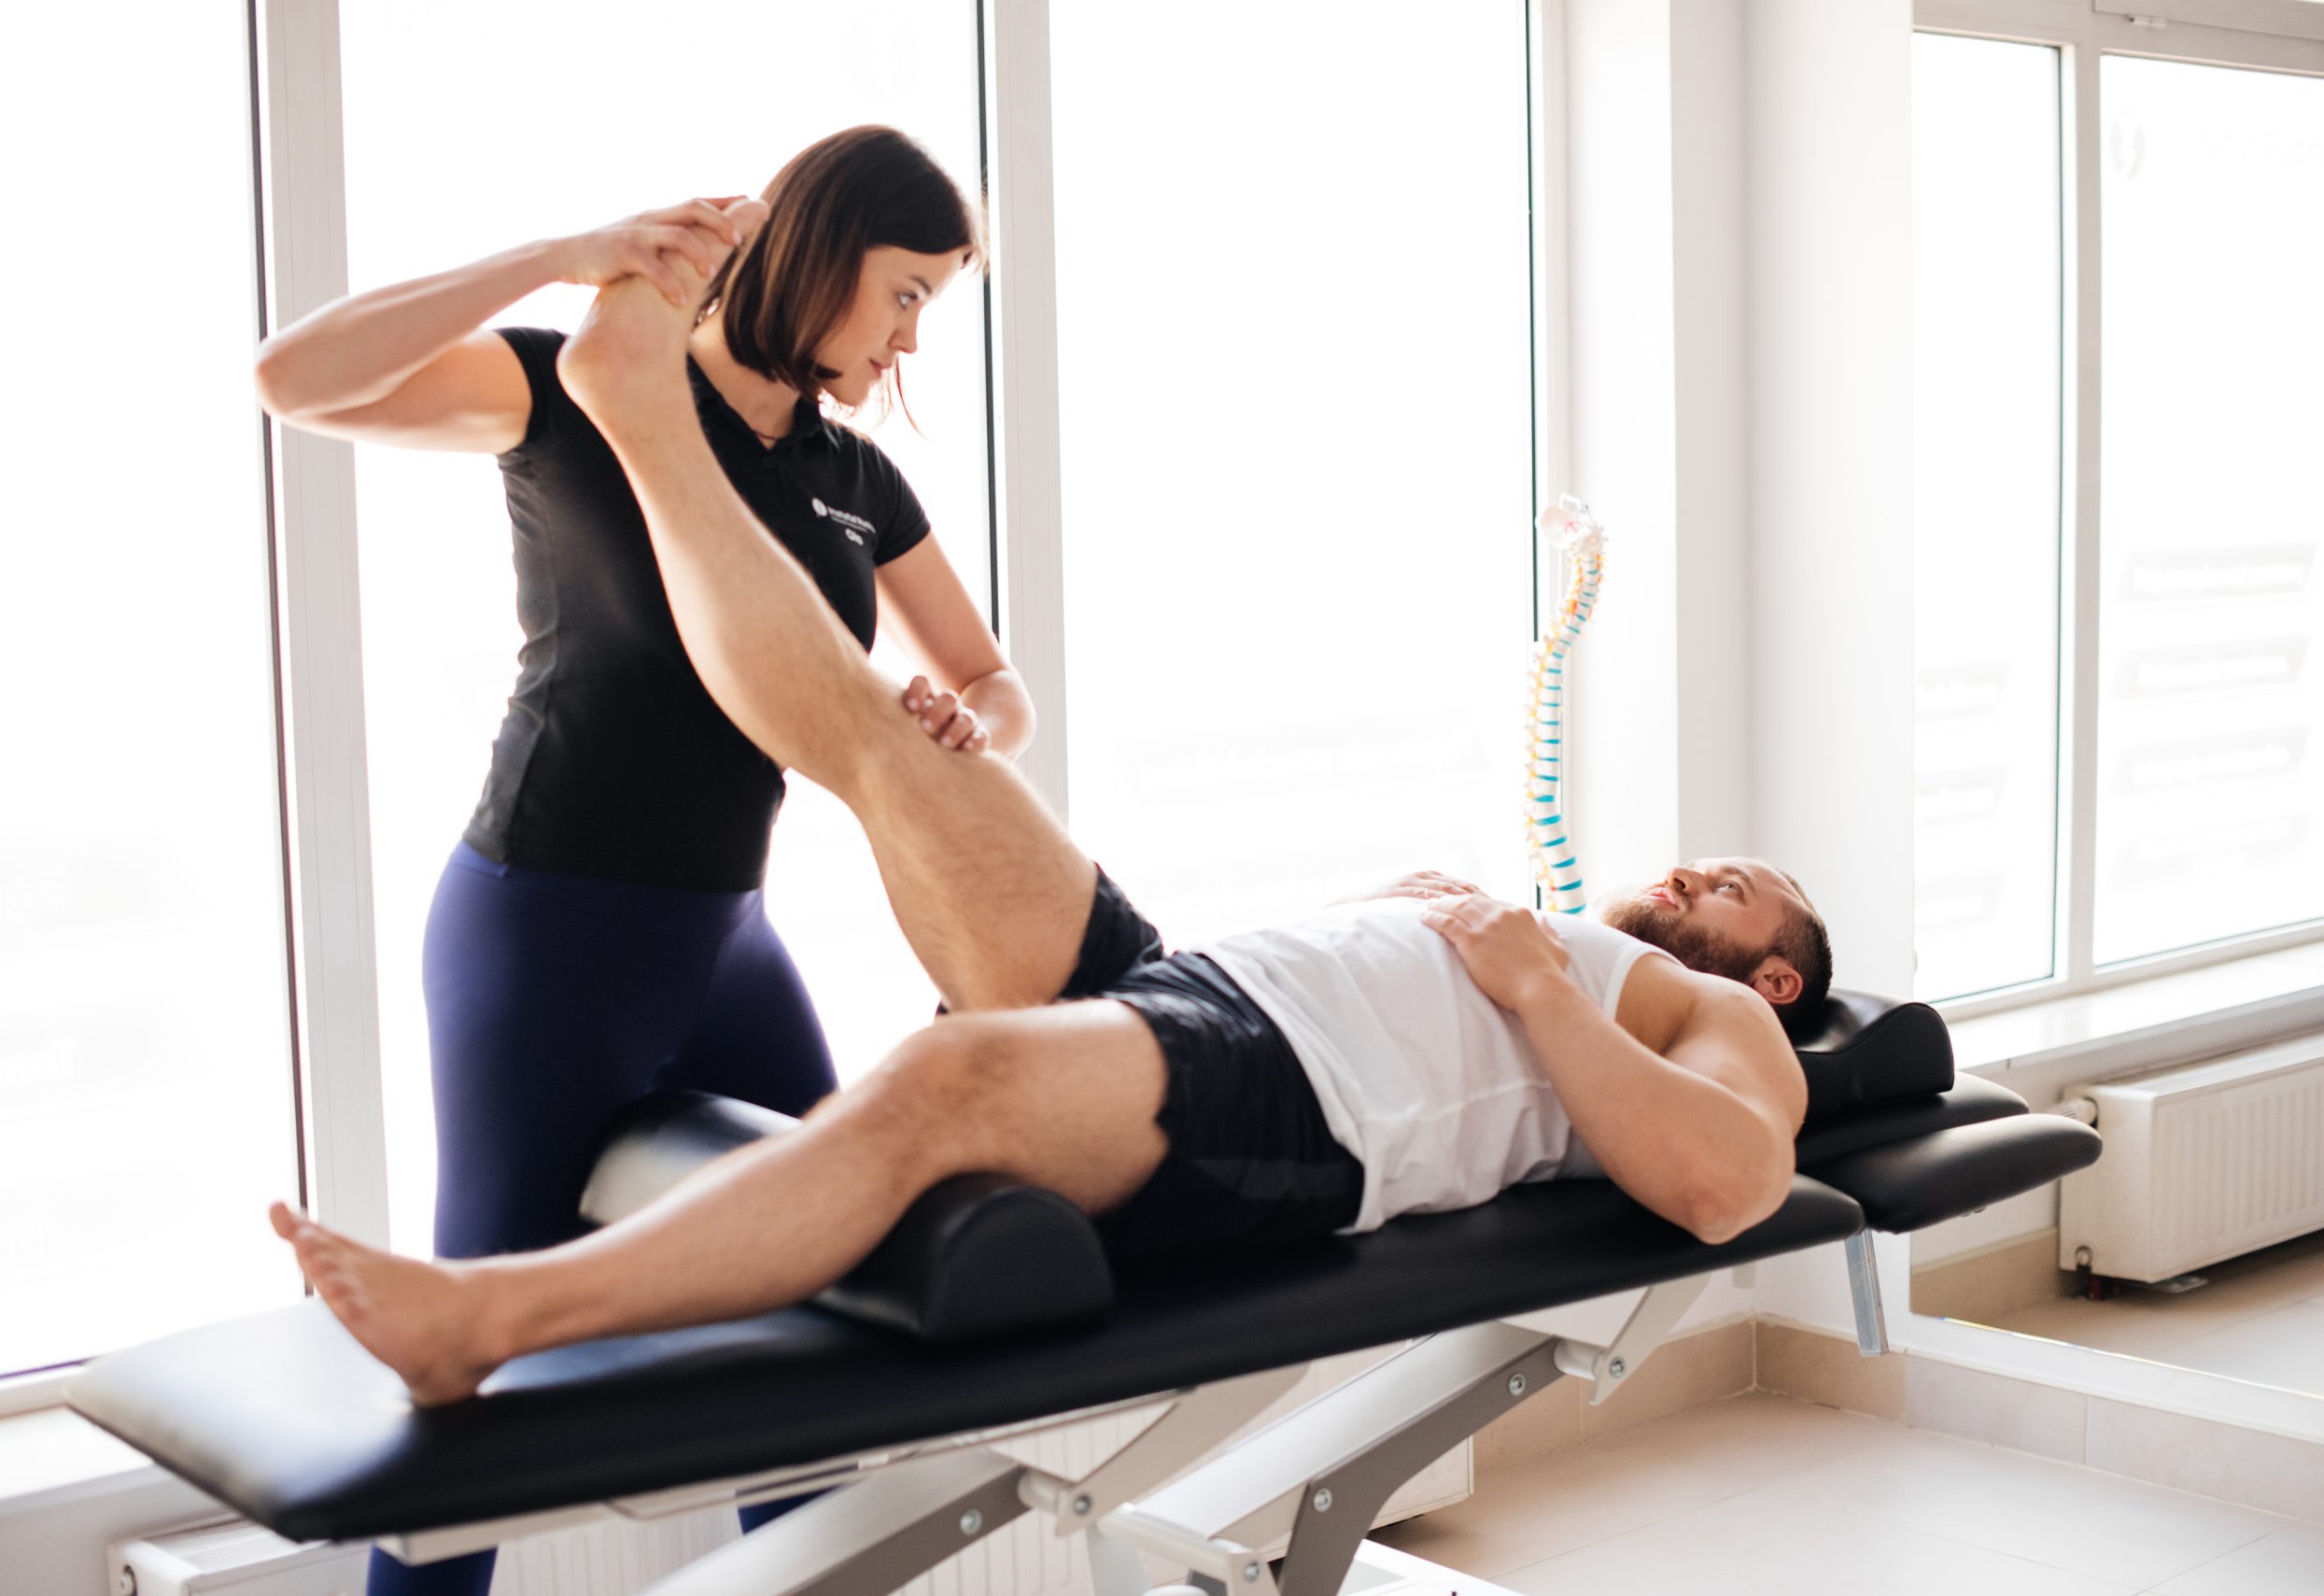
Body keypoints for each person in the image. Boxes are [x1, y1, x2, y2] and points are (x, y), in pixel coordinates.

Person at [269, 261, 1827, 1412]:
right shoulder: (1574, 941)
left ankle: (488, 1321)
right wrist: (1400, 920)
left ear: (1771, 975)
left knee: (934, 1081)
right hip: (1192, 983)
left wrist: (1535, 983)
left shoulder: (1713, 1023)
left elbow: (1725, 1184)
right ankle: (646, 422)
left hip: (1290, 1103)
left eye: (1737, 888)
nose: (1700, 870)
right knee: (889, 737)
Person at [253, 126, 1007, 1588]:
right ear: (824, 253)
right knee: (472, 1384)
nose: (914, 337)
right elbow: (291, 379)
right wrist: (559, 255)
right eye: (907, 292)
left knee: (827, 1308)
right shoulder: (574, 393)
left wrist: (966, 720)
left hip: (728, 943)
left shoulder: (855, 478)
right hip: (544, 937)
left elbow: (990, 676)